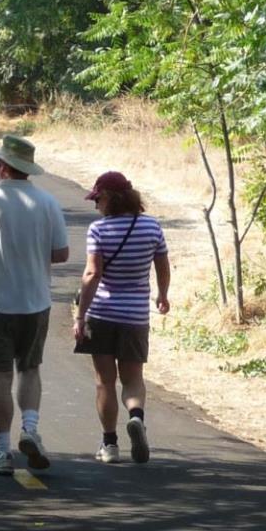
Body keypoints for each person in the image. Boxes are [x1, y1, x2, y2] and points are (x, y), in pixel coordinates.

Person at [0, 135, 69, 476]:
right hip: (36, 303)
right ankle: (31, 428)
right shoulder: (48, 202)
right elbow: (61, 254)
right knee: (30, 369)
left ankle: (1, 451)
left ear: (4, 166)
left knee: (0, 376)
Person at [72, 171, 171, 463]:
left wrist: (80, 316)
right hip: (135, 316)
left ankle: (110, 445)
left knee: (105, 381)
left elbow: (92, 274)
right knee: (133, 379)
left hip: (102, 314)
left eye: (98, 198)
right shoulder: (152, 226)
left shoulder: (99, 230)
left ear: (111, 198)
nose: (95, 205)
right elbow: (163, 266)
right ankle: (136, 417)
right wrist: (162, 295)